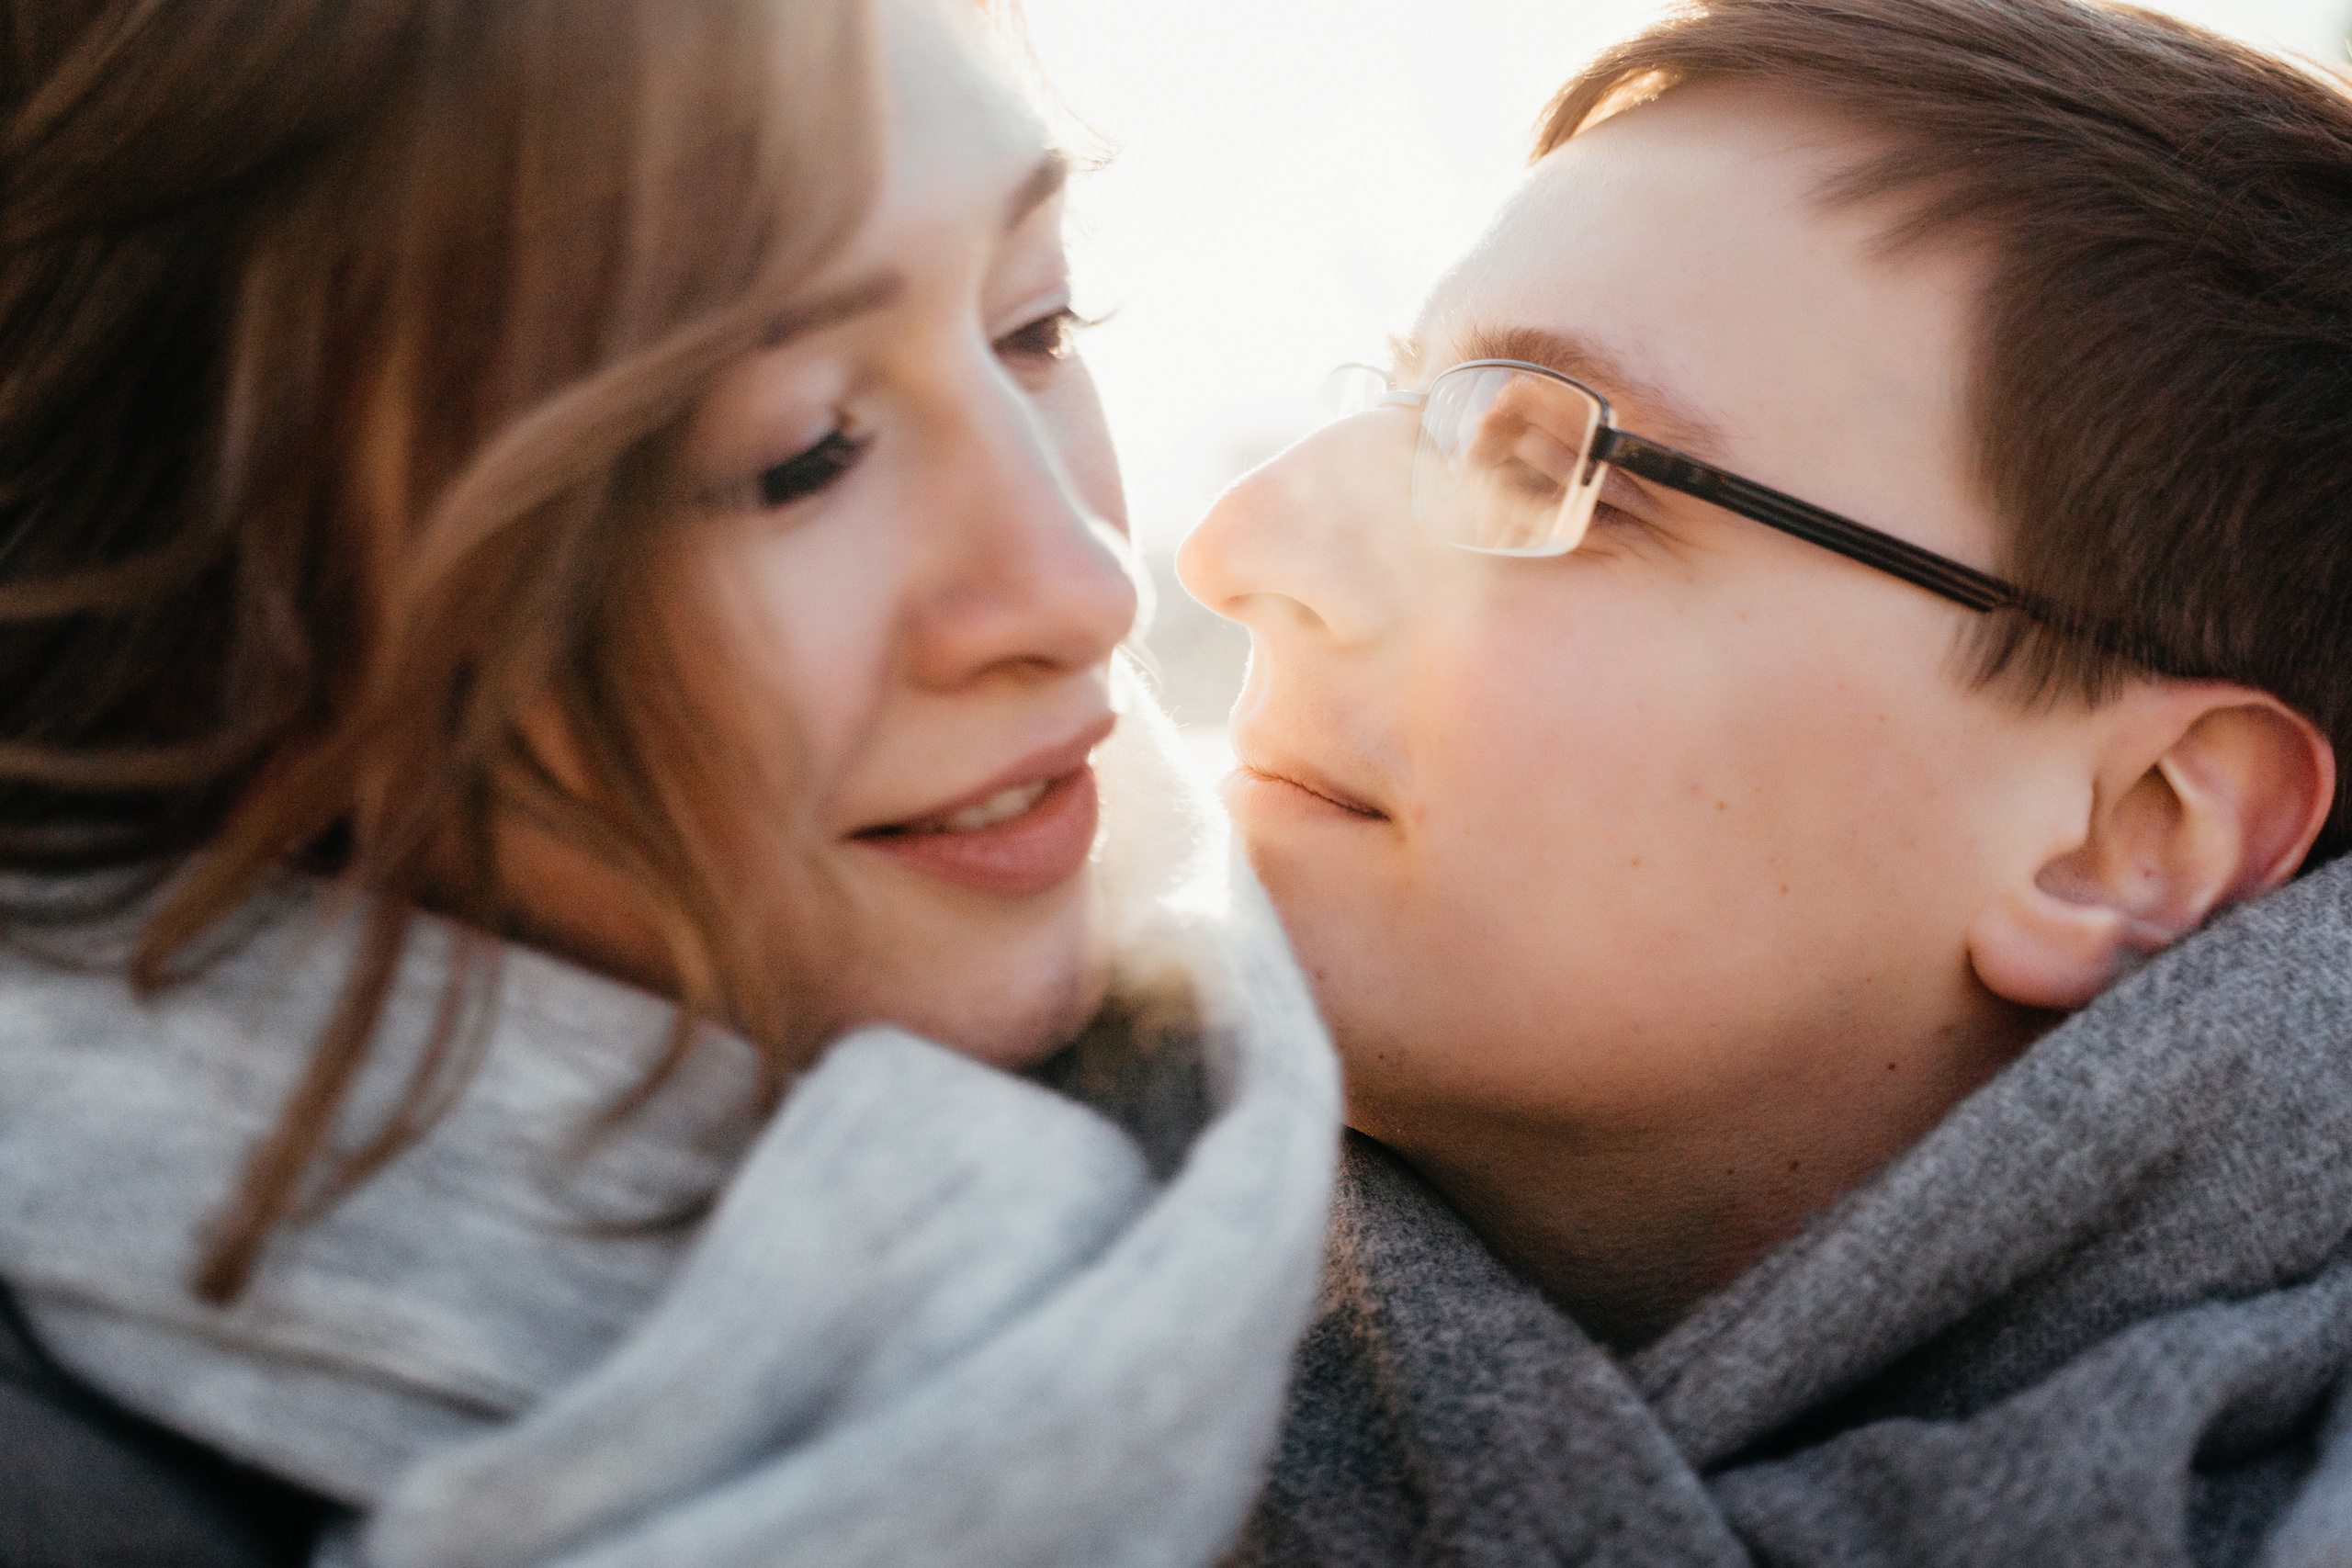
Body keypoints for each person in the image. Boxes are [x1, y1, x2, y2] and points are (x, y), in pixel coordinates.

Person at [0, 0, 1338, 1562]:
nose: (1086, 587)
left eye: (1033, 329)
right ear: (196, 605)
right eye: (798, 452)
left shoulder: (1280, 1149)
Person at [1178, 0, 2352, 1561]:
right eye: (1406, 410)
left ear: (2127, 833)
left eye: (1556, 467)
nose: (1237, 546)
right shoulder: (921, 1323)